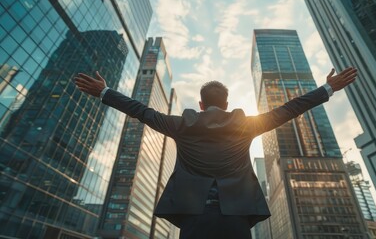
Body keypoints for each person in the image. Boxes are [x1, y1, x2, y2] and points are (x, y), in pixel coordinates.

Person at [74, 67, 357, 239]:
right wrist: (328, 88)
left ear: (200, 104)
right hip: (236, 215)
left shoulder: (182, 124)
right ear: (226, 103)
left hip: (194, 215)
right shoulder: (246, 125)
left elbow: (141, 111)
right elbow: (290, 109)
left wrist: (104, 92)